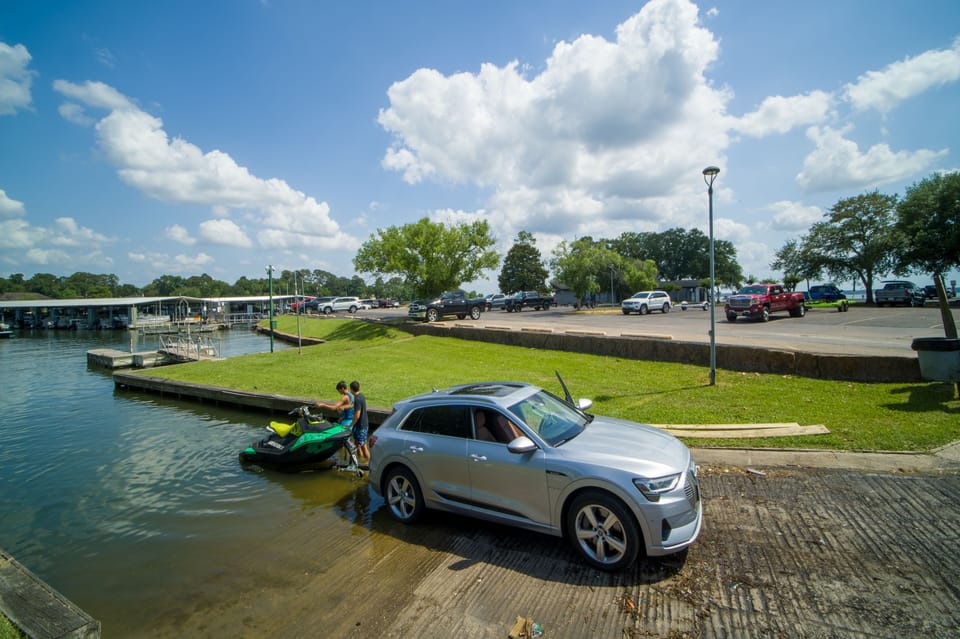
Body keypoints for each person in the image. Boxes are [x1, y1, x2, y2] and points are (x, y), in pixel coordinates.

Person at [315, 381, 355, 466]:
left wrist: (322, 405)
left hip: (346, 422)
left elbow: (334, 408)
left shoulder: (345, 397)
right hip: (351, 421)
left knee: (343, 443)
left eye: (339, 390)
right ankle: (347, 460)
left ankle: (342, 462)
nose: (339, 392)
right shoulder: (352, 395)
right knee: (347, 443)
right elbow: (350, 408)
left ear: (342, 388)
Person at [349, 380, 370, 463]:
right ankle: (360, 461)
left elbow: (357, 415)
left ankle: (368, 463)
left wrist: (351, 424)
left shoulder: (357, 399)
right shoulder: (361, 396)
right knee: (357, 443)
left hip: (361, 425)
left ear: (351, 389)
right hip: (362, 424)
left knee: (363, 445)